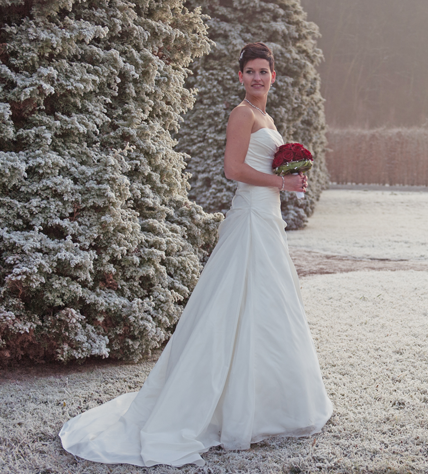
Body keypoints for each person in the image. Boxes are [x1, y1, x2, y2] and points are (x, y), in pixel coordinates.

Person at [59, 42, 333, 467]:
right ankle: (217, 406)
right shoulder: (242, 114)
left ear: (273, 77)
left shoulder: (268, 117)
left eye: (264, 71)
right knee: (231, 307)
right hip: (249, 221)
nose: (258, 78)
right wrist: (282, 184)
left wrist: (288, 176)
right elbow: (233, 169)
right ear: (240, 77)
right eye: (251, 72)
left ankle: (271, 404)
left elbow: (262, 166)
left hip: (268, 221)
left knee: (270, 309)